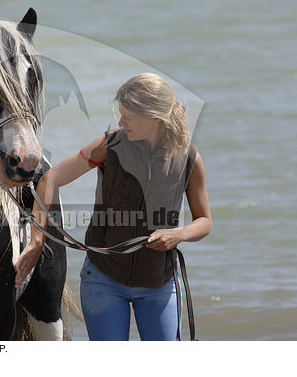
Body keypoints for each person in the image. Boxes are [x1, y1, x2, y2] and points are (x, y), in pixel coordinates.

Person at [14, 72, 212, 340]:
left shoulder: (189, 158)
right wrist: (37, 241)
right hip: (103, 279)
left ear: (154, 118)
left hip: (159, 283)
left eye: (128, 117)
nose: (120, 122)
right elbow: (50, 179)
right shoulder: (110, 145)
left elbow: (204, 221)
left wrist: (178, 234)